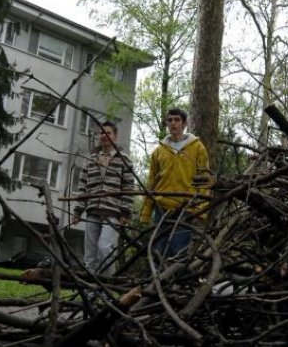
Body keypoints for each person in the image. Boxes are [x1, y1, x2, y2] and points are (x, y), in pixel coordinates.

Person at [140, 108, 211, 258]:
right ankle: (159, 281)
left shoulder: (198, 148)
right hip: (161, 208)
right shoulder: (159, 151)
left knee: (179, 252)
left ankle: (176, 281)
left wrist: (201, 209)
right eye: (170, 120)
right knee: (159, 252)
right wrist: (146, 212)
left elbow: (204, 179)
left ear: (184, 123)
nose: (173, 123)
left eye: (177, 120)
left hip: (185, 208)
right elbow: (151, 181)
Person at [72, 121, 135, 276]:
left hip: (113, 213)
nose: (104, 136)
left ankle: (106, 289)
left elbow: (128, 187)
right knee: (90, 254)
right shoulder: (91, 159)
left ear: (115, 136)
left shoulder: (124, 160)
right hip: (93, 211)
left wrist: (125, 212)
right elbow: (83, 185)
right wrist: (78, 211)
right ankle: (90, 292)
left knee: (105, 249)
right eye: (102, 133)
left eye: (108, 133)